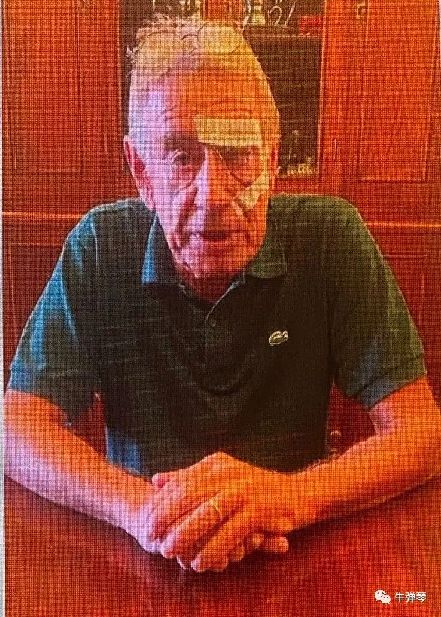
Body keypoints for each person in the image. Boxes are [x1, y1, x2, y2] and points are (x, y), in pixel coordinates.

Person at [5, 19, 441, 573]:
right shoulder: (101, 246)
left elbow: (422, 435)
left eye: (238, 156)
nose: (213, 195)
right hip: (142, 551)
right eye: (180, 156)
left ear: (273, 162)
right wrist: (143, 509)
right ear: (141, 172)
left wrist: (288, 497)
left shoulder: (330, 237)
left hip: (297, 544)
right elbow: (16, 430)